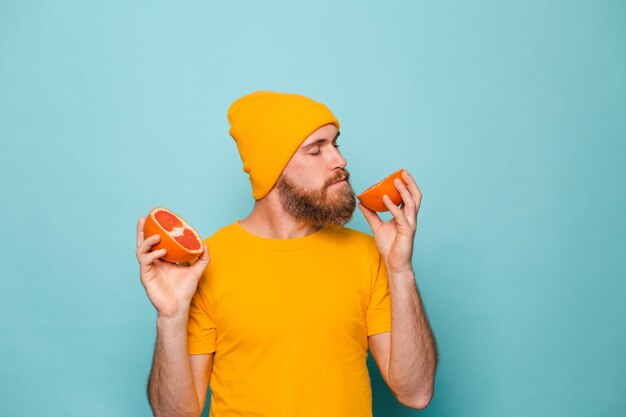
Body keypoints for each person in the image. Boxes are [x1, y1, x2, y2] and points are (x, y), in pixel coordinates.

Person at [135, 91, 438, 417]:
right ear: (273, 168)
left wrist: (401, 270)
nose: (339, 160)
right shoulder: (203, 266)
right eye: (315, 150)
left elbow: (416, 393)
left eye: (335, 144)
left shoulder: (370, 254)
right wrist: (171, 317)